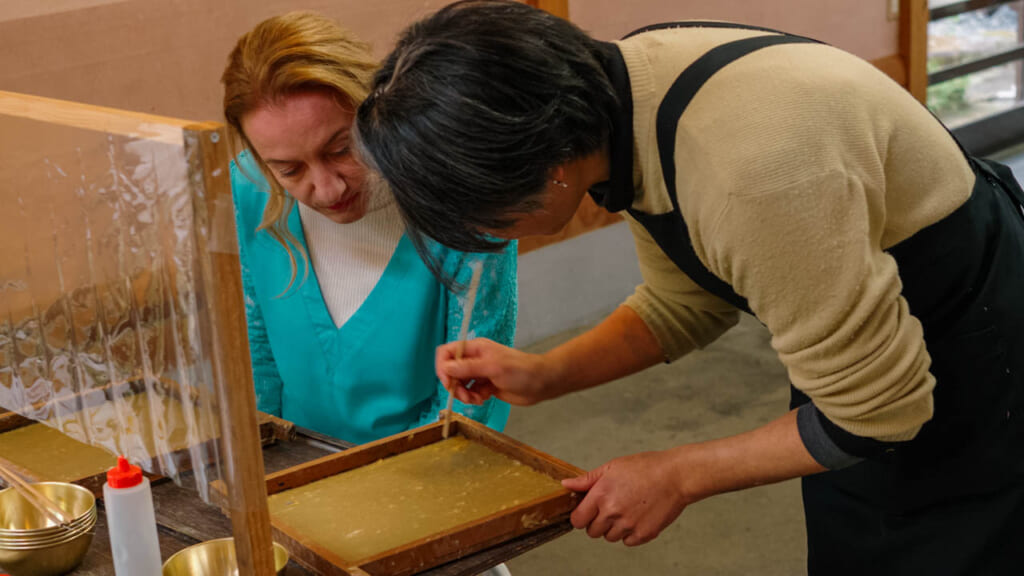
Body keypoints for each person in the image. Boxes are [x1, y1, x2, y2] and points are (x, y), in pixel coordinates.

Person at [354, 1, 1024, 574]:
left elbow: (877, 412)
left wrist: (678, 473)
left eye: (486, 214)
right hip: (855, 337)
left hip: (971, 331)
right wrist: (546, 374)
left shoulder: (753, 178)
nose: (490, 231)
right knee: (858, 524)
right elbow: (684, 301)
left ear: (551, 167)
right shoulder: (615, 101)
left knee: (957, 541)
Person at [220, 11, 517, 446]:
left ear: (378, 106)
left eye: (342, 148)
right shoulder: (249, 189)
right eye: (288, 168)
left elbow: (468, 408)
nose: (326, 188)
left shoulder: (461, 202)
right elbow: (257, 359)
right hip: (292, 466)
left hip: (421, 469)